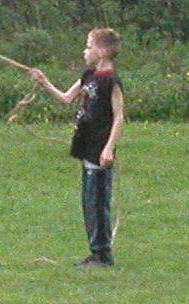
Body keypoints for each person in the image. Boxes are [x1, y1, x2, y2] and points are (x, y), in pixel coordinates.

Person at [29, 27, 126, 265]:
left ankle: (102, 254)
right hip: (86, 145)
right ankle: (96, 251)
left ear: (102, 51)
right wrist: (43, 82)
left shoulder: (111, 81)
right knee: (89, 201)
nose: (85, 51)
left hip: (100, 149)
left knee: (98, 201)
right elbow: (65, 98)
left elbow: (119, 117)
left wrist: (109, 148)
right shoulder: (88, 75)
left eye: (89, 46)